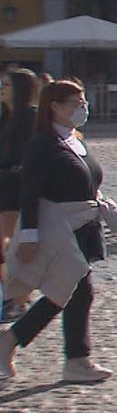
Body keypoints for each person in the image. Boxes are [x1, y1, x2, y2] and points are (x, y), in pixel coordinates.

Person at [0, 79, 114, 385]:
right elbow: (30, 193)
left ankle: (12, 341)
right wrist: (29, 236)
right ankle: (75, 358)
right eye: (76, 103)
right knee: (75, 291)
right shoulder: (41, 144)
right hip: (58, 229)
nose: (83, 108)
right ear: (55, 107)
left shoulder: (76, 140)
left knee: (67, 293)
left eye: (84, 102)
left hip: (82, 229)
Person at [0, 69, 38, 320]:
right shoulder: (5, 116)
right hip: (4, 186)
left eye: (7, 84)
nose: (2, 87)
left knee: (13, 246)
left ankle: (18, 298)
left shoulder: (30, 118)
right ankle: (10, 295)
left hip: (15, 190)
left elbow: (30, 157)